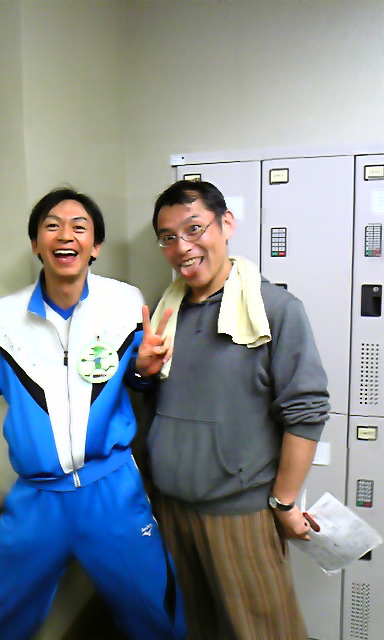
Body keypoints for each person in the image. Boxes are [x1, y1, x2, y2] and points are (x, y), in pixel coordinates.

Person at [0, 187, 186, 640]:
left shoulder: (124, 304)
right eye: (52, 226)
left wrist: (144, 371)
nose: (66, 235)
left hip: (112, 491)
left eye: (79, 227)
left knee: (158, 620)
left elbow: (137, 380)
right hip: (37, 498)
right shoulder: (4, 318)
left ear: (95, 246)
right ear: (36, 244)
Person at [131, 180, 330, 640]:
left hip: (240, 515)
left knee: (262, 631)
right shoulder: (164, 315)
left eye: (194, 229)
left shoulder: (274, 309)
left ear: (226, 224)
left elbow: (306, 412)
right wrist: (141, 374)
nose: (183, 247)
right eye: (168, 237)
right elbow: (153, 407)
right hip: (171, 510)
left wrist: (284, 503)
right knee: (195, 629)